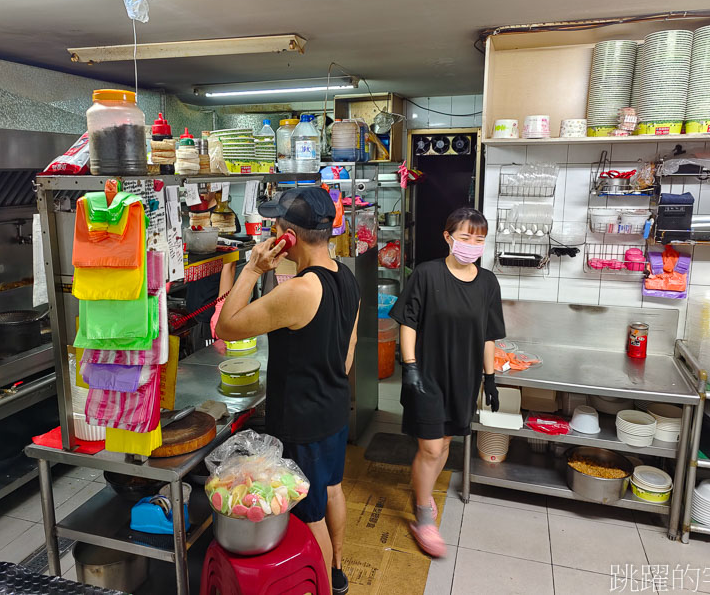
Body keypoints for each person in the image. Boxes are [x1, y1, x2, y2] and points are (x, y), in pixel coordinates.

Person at [215, 187, 360, 595]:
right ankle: (337, 572)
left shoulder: (298, 291)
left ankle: (323, 587)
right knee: (332, 490)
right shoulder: (346, 277)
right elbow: (347, 351)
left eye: (274, 226)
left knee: (309, 514)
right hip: (332, 410)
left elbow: (227, 326)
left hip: (302, 421)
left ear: (288, 238)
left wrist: (251, 270)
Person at [389, 207, 505, 558]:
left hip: (464, 377)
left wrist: (490, 378)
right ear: (448, 236)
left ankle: (422, 492)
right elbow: (408, 321)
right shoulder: (426, 274)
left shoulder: (487, 283)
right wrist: (409, 366)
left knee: (446, 442)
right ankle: (424, 515)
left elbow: (488, 335)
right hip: (426, 375)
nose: (472, 244)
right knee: (431, 448)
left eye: (479, 239)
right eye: (466, 237)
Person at [184, 189, 239, 350]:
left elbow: (230, 263)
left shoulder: (224, 217)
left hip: (210, 309)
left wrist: (220, 308)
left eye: (204, 187)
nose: (199, 191)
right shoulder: (197, 215)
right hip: (194, 307)